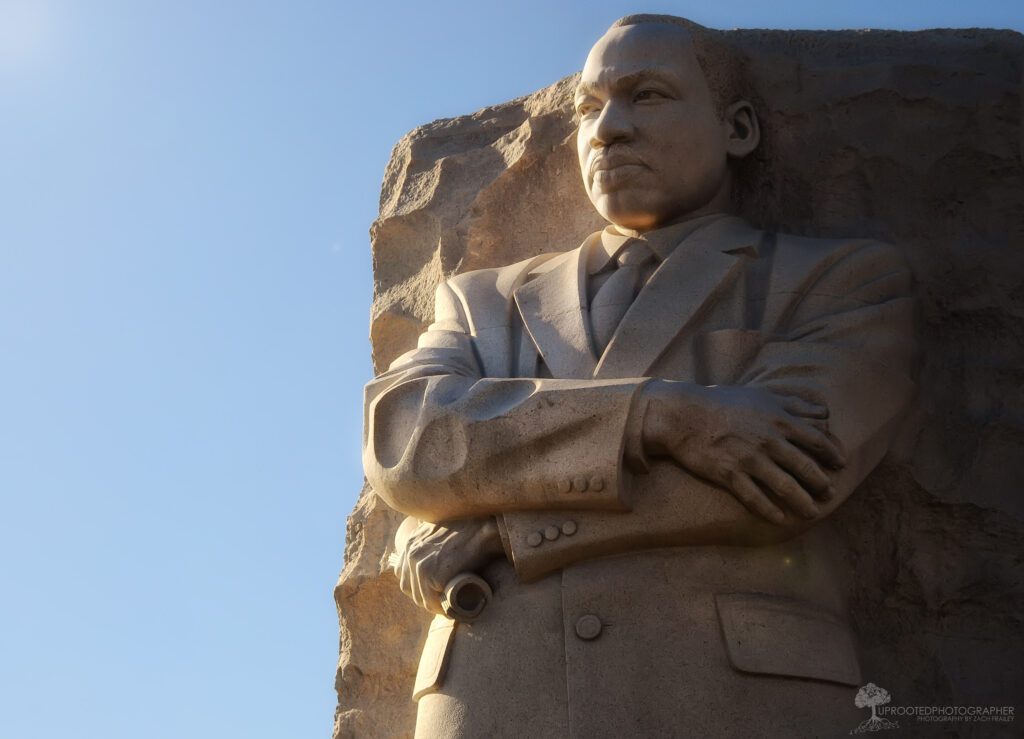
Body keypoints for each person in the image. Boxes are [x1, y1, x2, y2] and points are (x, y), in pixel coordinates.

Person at [364, 14, 915, 738]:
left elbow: (786, 473)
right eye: (590, 107)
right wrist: (661, 415)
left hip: (736, 697)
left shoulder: (836, 279)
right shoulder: (482, 301)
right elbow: (408, 439)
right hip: (495, 698)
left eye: (647, 96)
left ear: (738, 129)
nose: (608, 129)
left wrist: (502, 525)